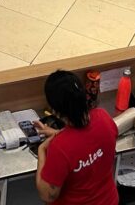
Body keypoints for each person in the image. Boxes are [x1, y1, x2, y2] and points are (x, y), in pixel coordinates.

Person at [34, 70, 119, 205]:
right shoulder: (104, 117)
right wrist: (58, 133)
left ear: (55, 111)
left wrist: (42, 150)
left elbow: (48, 195)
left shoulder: (60, 147)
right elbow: (85, 139)